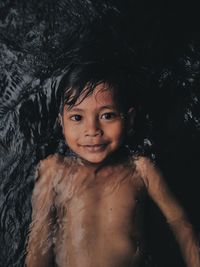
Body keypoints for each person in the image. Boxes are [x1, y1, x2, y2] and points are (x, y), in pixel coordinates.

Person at [25, 63, 200, 267]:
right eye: (77, 117)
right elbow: (39, 240)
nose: (92, 130)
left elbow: (179, 222)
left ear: (130, 120)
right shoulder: (53, 169)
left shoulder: (141, 169)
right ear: (62, 123)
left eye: (107, 115)